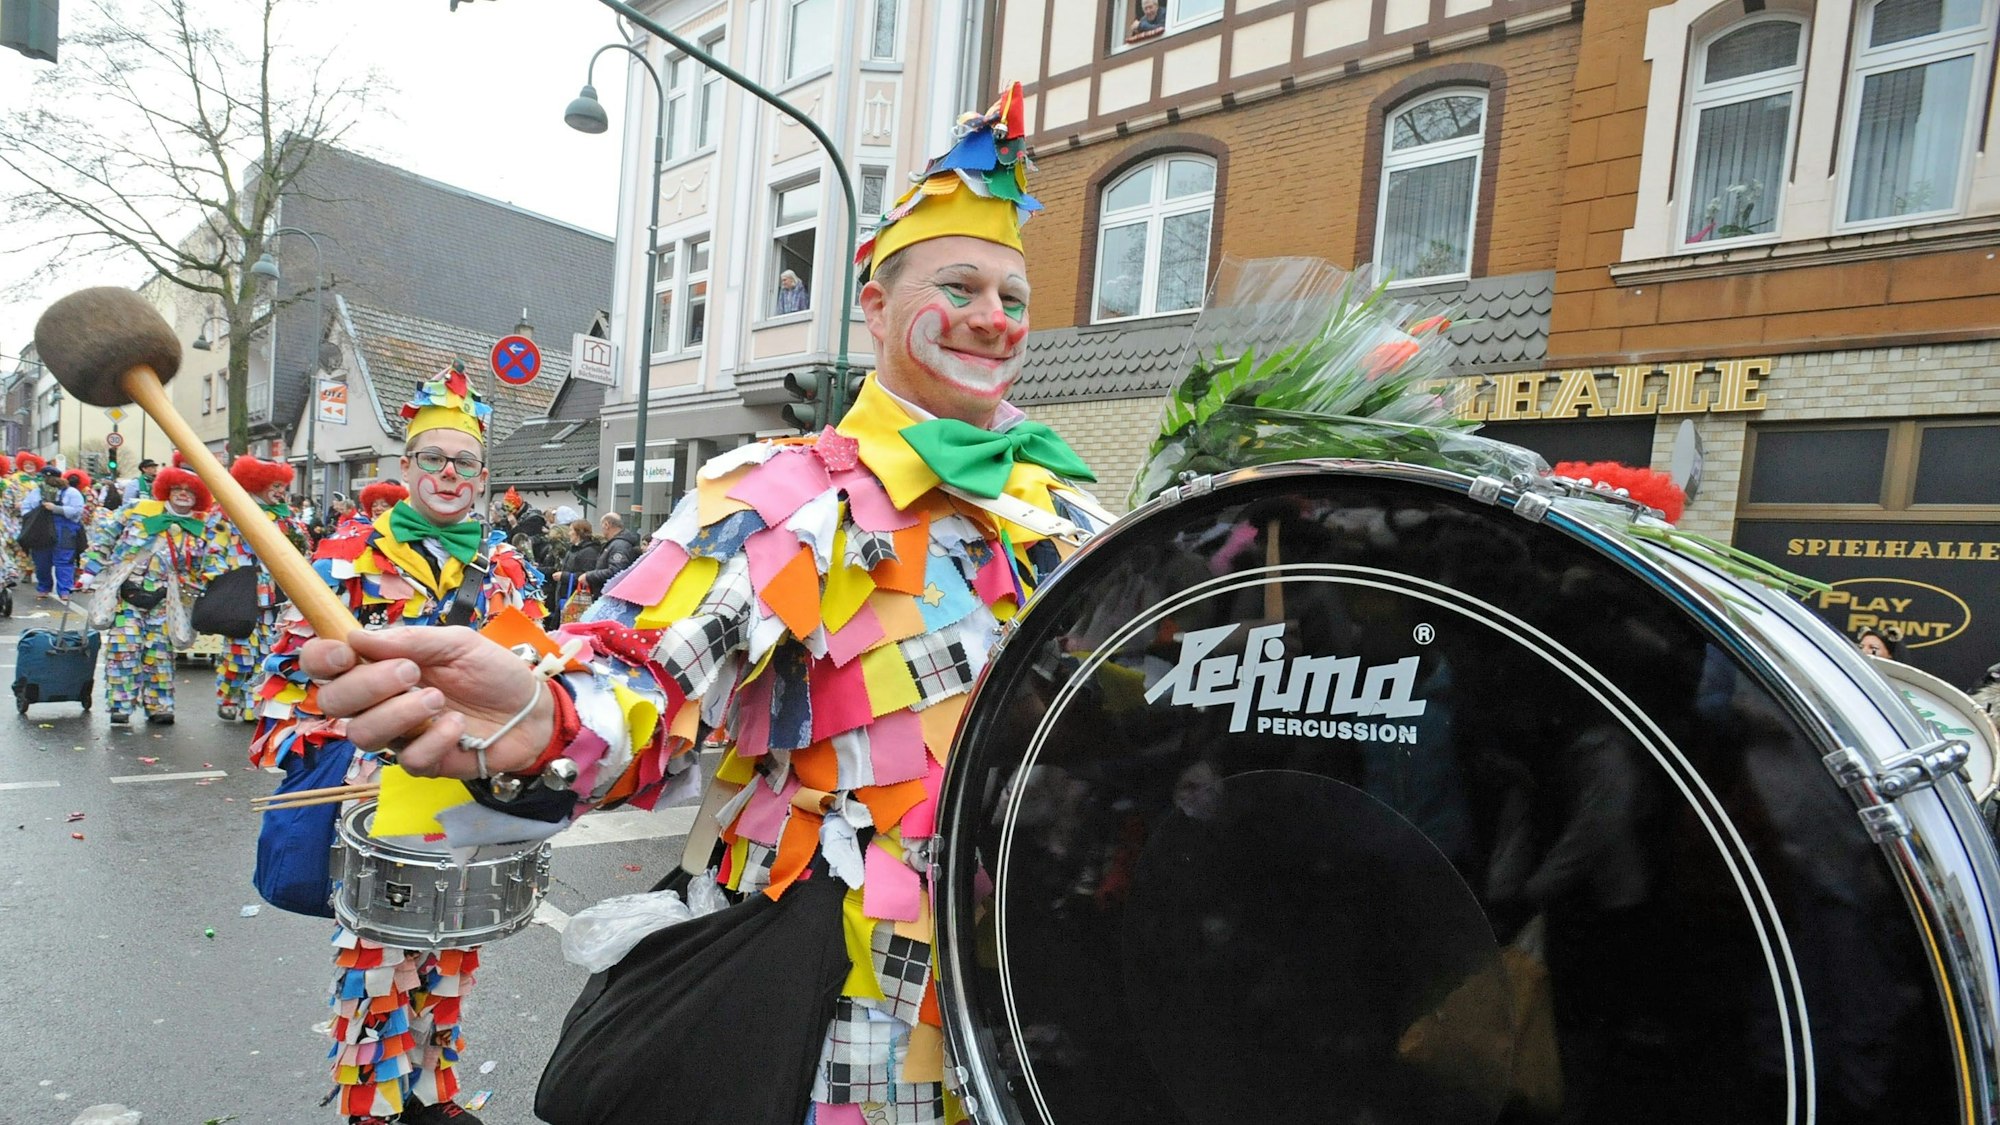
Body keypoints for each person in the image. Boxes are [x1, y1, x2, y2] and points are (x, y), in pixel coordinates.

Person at [293, 82, 1108, 1125]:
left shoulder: (1069, 510)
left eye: (1012, 297)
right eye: (960, 286)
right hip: (831, 978)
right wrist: (540, 718)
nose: (993, 319)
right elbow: (653, 671)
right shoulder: (786, 492)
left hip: (1019, 962)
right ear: (874, 304)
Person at [252, 367, 542, 1125]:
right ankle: (371, 1108)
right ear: (405, 468)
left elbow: (546, 669)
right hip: (373, 797)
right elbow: (283, 685)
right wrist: (348, 753)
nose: (450, 473)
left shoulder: (508, 568)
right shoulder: (343, 561)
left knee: (452, 949)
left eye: (465, 462)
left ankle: (429, 1094)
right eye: (432, 458)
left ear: (483, 477)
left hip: (468, 793)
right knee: (377, 958)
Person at [75, 459, 218, 724]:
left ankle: (160, 706)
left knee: (160, 652)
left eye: (190, 489)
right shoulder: (138, 509)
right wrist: (88, 571)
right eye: (177, 488)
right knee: (123, 648)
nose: (183, 494)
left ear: (198, 494)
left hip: (168, 599)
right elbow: (105, 538)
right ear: (167, 489)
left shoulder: (203, 525)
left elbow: (210, 562)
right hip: (127, 594)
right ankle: (120, 705)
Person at [206, 456, 312, 721]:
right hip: (242, 591)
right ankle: (229, 697)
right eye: (273, 485)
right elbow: (212, 546)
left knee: (268, 651)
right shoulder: (230, 511)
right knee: (238, 650)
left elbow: (303, 549)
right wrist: (221, 577)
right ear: (256, 483)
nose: (279, 492)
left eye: (282, 486)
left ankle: (256, 701)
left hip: (277, 594)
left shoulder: (288, 517)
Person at [22, 464, 86, 600]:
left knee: (64, 561)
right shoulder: (36, 492)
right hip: (41, 530)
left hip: (65, 531)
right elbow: (26, 508)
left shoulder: (71, 492)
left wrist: (56, 508)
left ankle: (65, 590)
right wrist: (33, 516)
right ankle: (44, 588)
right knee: (41, 561)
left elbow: (77, 511)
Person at [576, 511, 639, 597]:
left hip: (611, 597)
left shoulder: (620, 545)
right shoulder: (615, 544)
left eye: (602, 526)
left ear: (607, 525)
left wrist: (589, 576)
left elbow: (616, 571)